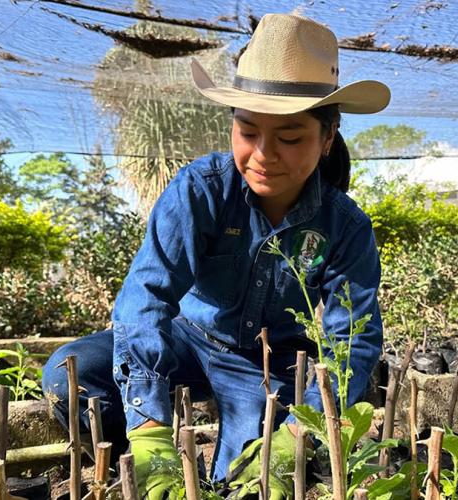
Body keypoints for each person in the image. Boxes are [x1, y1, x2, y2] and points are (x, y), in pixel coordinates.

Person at [42, 12, 390, 499]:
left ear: (327, 137)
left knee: (246, 478)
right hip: (188, 338)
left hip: (267, 364)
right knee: (68, 373)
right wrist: (147, 428)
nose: (264, 154)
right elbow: (144, 298)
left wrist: (299, 431)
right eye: (248, 132)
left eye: (289, 138)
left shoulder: (345, 228)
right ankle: (140, 468)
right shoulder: (200, 191)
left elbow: (352, 338)